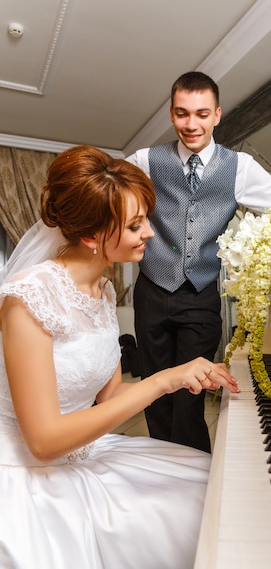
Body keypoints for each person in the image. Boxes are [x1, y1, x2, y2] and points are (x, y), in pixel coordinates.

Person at [0, 145, 239, 569]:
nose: (150, 232)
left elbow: (110, 396)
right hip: (26, 467)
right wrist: (163, 378)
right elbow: (43, 441)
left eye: (147, 217)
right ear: (92, 236)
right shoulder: (27, 298)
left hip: (86, 450)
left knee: (210, 485)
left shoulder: (103, 288)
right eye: (134, 225)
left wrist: (181, 378)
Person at [127, 71, 271, 452]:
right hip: (151, 291)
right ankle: (161, 464)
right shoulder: (145, 161)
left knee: (191, 393)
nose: (191, 124)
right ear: (171, 114)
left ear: (217, 115)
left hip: (200, 297)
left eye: (201, 114)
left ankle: (194, 471)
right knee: (154, 388)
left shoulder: (241, 167)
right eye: (182, 114)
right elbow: (109, 202)